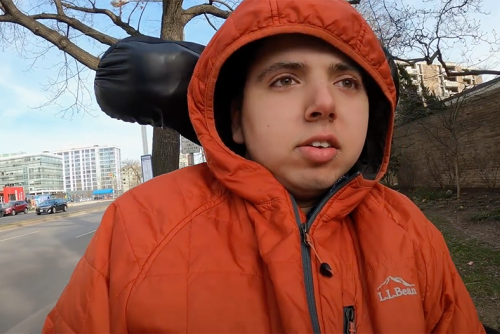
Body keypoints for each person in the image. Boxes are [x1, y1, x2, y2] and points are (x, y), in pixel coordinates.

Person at [41, 0, 487, 333]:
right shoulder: (141, 227)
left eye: (347, 82)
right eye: (285, 80)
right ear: (236, 118)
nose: (324, 104)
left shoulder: (410, 230)